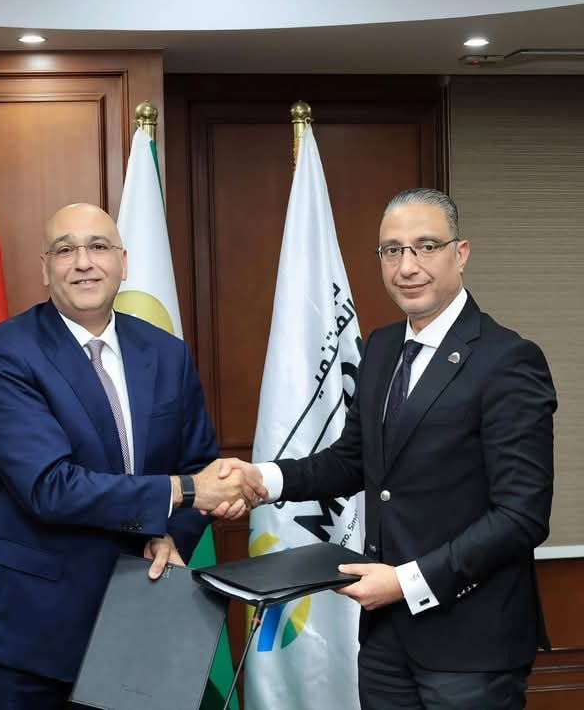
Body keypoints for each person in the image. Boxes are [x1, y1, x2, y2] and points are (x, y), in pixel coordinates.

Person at [221, 188, 556, 709]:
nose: (407, 266)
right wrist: (263, 479)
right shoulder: (379, 349)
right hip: (384, 640)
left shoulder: (508, 359)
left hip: (471, 643)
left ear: (461, 253)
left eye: (426, 246)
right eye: (392, 250)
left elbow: (521, 516)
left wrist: (406, 583)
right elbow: (352, 460)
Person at [0, 203, 261, 710]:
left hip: (138, 618)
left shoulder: (167, 353)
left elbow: (199, 464)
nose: (83, 262)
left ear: (123, 262)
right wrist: (183, 492)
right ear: (44, 268)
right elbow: (49, 487)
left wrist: (169, 535)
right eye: (65, 250)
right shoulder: (3, 353)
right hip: (30, 632)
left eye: (98, 247)